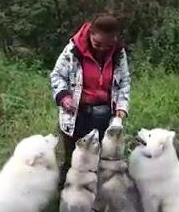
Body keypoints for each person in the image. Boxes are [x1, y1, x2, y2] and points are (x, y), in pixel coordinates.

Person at [49, 13, 131, 188]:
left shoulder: (119, 53)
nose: (102, 49)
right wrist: (64, 96)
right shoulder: (73, 50)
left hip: (104, 116)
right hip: (76, 117)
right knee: (73, 161)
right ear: (90, 33)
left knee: (100, 161)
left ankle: (96, 198)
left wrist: (122, 107)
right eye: (98, 44)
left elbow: (124, 81)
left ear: (114, 39)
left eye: (107, 45)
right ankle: (64, 197)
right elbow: (57, 75)